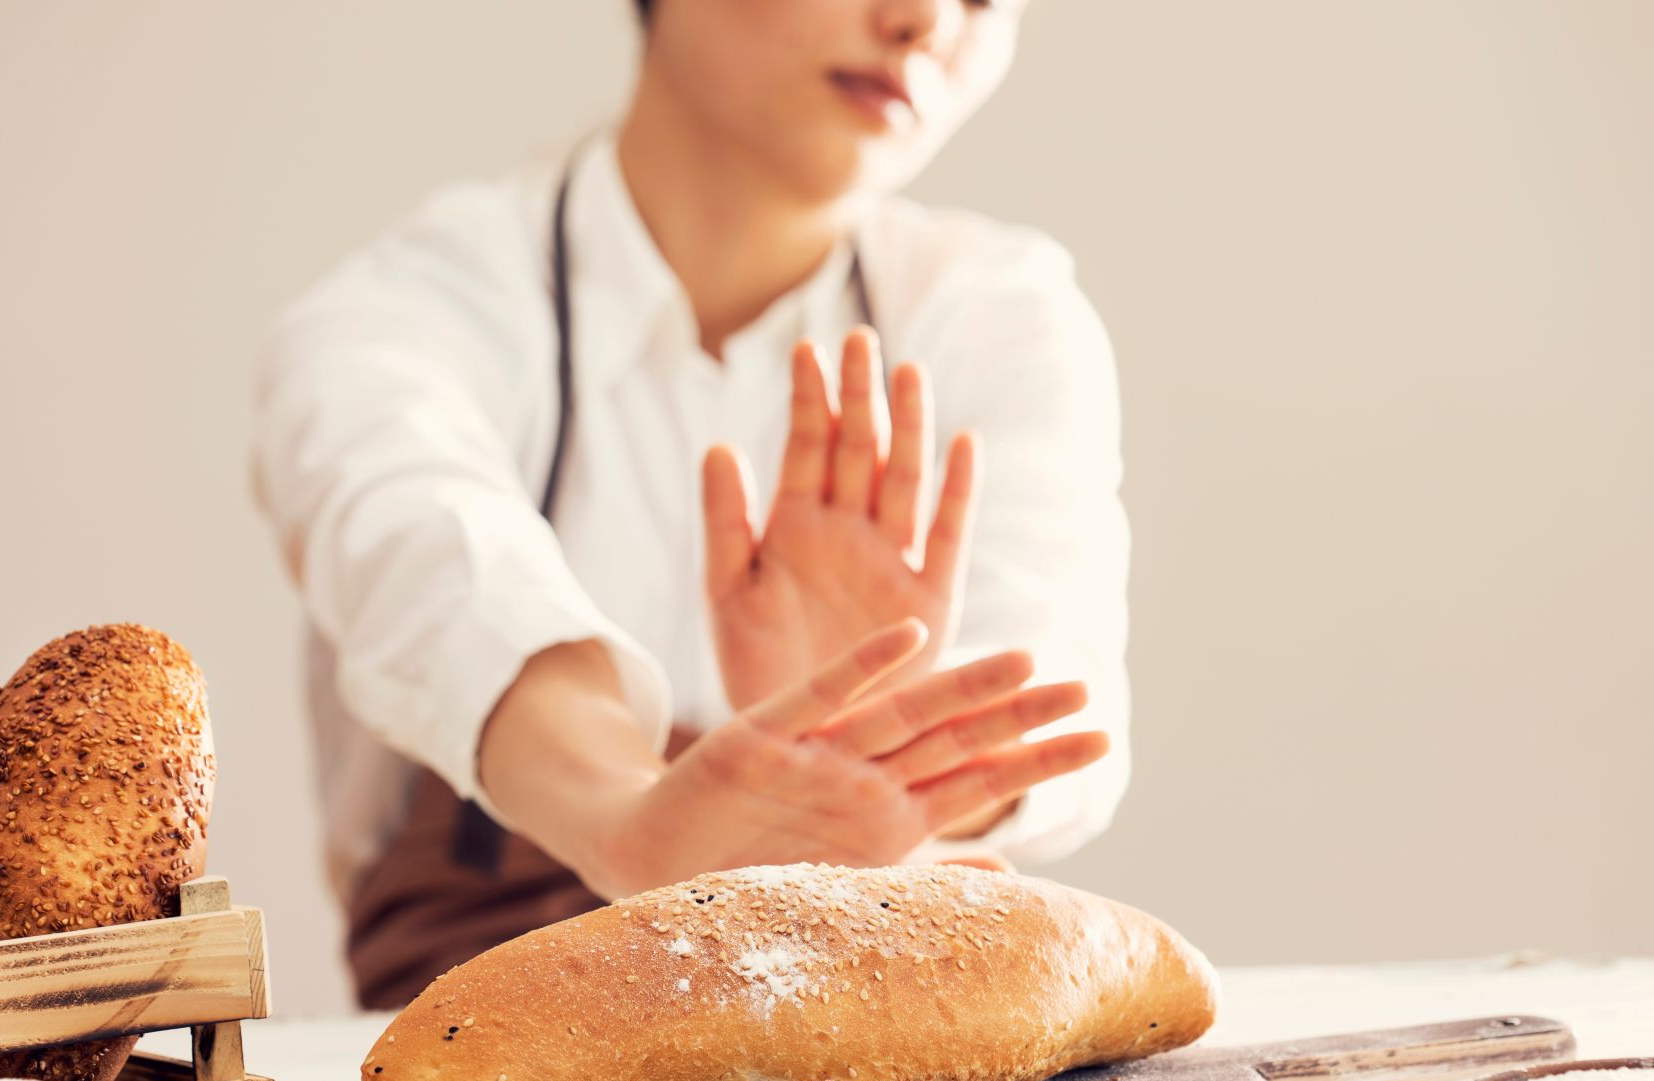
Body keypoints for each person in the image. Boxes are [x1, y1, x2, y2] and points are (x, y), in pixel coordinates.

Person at [253, 0, 1131, 1009]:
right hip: (486, 1031)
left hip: (852, 1009)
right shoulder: (402, 313)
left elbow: (1053, 689)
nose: (923, 19)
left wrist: (864, 772)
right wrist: (631, 815)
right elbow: (433, 570)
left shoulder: (1001, 315)